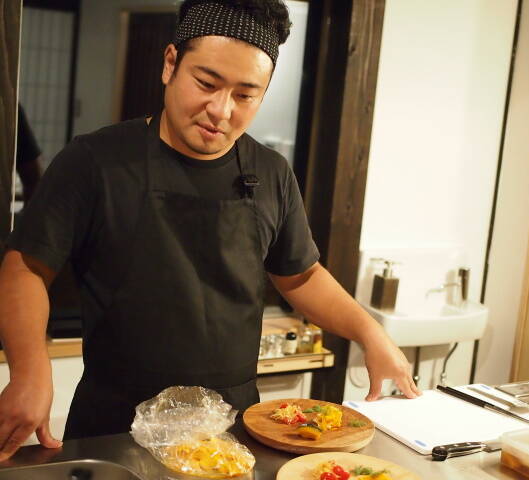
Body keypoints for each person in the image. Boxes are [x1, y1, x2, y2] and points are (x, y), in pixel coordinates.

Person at [0, 0, 419, 460]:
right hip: (114, 426)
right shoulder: (95, 161)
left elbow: (301, 276)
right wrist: (30, 370)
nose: (221, 110)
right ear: (170, 64)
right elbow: (26, 267)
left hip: (232, 430)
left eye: (245, 95)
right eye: (206, 83)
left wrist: (370, 332)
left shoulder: (271, 173)